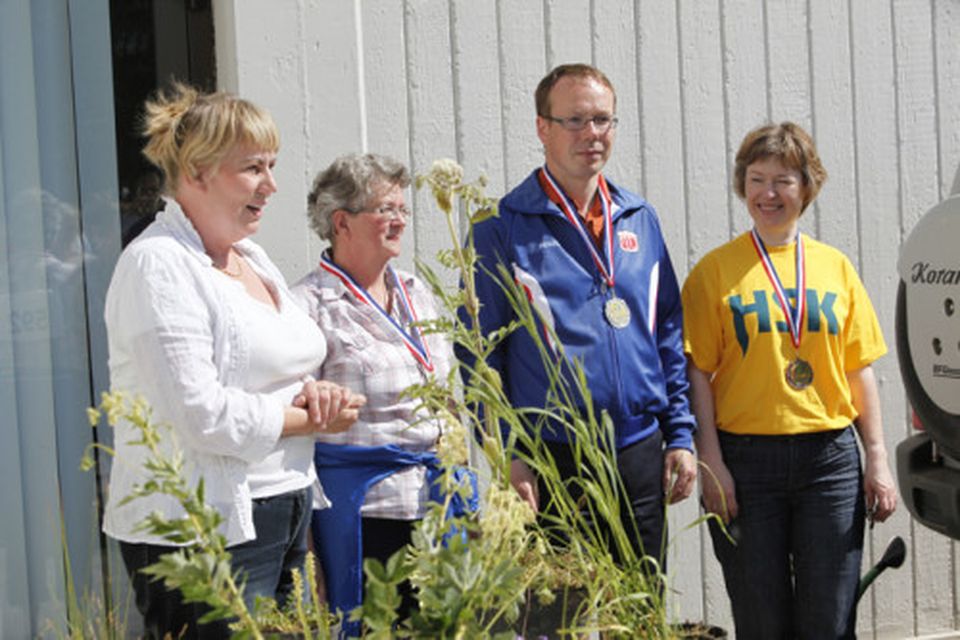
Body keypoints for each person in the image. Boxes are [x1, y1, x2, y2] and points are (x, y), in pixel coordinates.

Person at [102, 83, 363, 639]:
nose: (271, 185)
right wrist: (312, 418)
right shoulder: (158, 265)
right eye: (252, 169)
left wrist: (312, 390)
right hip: (204, 530)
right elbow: (202, 415)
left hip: (283, 504)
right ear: (196, 171)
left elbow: (279, 364)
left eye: (272, 165)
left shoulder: (251, 258)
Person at [464, 63, 697, 576]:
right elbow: (479, 355)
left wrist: (679, 434)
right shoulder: (500, 227)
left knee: (639, 615)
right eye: (575, 121)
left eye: (603, 121)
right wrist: (508, 452)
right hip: (551, 460)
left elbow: (667, 331)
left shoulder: (640, 217)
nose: (592, 134)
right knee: (557, 621)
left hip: (638, 449)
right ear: (542, 127)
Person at [682, 122, 898, 639]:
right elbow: (696, 372)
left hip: (829, 463)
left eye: (783, 180)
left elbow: (857, 368)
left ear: (807, 185)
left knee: (829, 619)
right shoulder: (715, 272)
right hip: (745, 463)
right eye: (757, 179)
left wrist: (878, 459)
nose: (769, 193)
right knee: (762, 621)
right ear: (742, 185)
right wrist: (710, 460)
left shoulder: (835, 268)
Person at [292, 154, 464, 632]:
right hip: (366, 517)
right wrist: (306, 551)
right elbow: (294, 440)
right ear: (341, 221)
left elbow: (446, 396)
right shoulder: (308, 307)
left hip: (437, 504)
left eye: (403, 210)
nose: (399, 221)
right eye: (385, 209)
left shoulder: (416, 291)